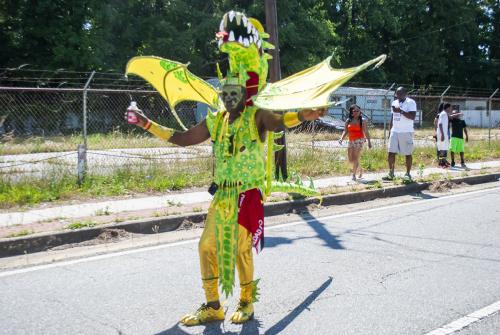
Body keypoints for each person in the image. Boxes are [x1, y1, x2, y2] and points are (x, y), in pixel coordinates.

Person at [126, 78, 325, 326]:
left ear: (244, 97)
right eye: (225, 93)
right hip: (222, 196)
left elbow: (278, 122)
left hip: (246, 195)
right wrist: (146, 123)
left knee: (241, 250)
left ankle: (246, 302)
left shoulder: (257, 116)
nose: (229, 98)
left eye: (234, 94)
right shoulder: (216, 120)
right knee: (207, 247)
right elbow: (182, 138)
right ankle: (213, 307)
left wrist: (302, 115)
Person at [383, 87, 417, 182]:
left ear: (405, 93)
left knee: (407, 153)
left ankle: (407, 174)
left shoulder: (411, 102)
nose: (398, 95)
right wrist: (390, 131)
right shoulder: (394, 103)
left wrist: (401, 111)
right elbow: (392, 117)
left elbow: (413, 117)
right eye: (397, 94)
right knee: (391, 152)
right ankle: (391, 173)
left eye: (400, 93)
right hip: (395, 131)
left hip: (406, 131)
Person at [339, 104, 372, 180]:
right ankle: (360, 169)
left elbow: (366, 132)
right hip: (351, 140)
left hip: (359, 140)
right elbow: (345, 131)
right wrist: (341, 138)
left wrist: (369, 142)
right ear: (351, 112)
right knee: (351, 158)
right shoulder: (348, 120)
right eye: (354, 111)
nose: (356, 112)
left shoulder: (362, 120)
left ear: (360, 112)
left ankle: (353, 175)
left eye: (358, 111)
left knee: (355, 156)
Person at [437, 103, 452, 167]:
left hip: (444, 133)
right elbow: (440, 124)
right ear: (448, 108)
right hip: (442, 134)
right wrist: (442, 134)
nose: (451, 109)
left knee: (444, 148)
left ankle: (442, 162)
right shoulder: (443, 114)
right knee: (442, 149)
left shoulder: (445, 114)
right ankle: (441, 163)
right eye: (450, 107)